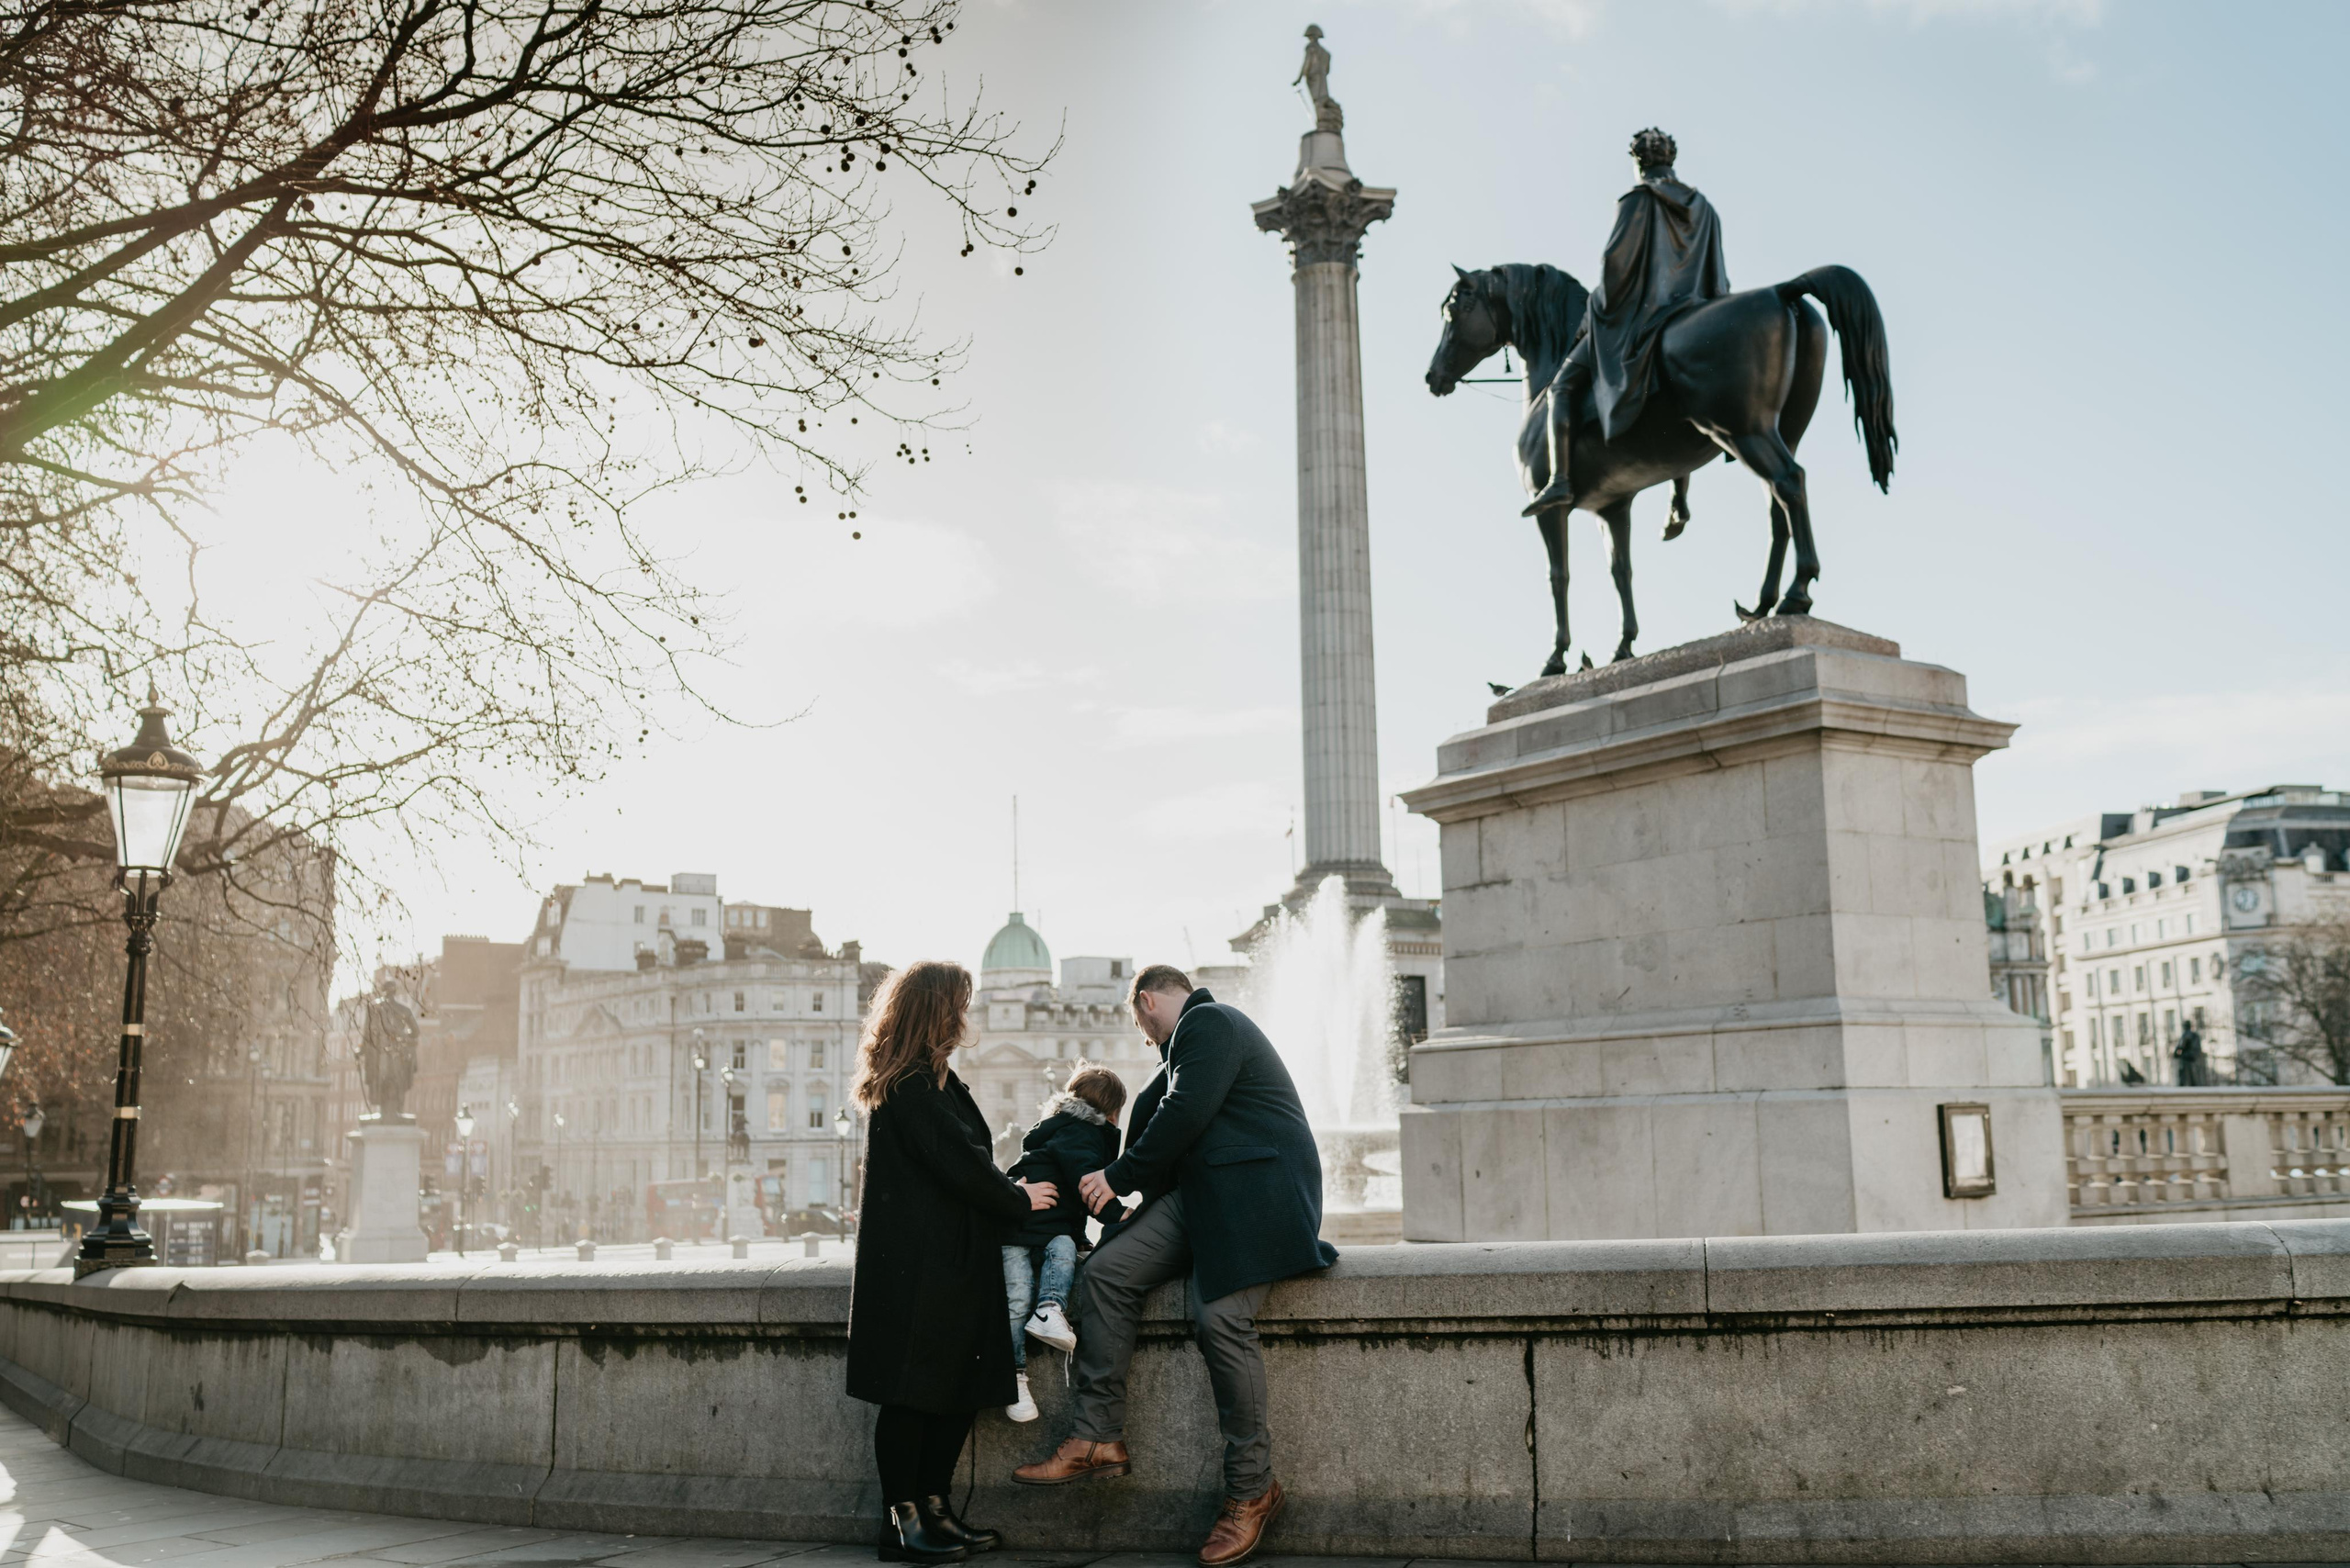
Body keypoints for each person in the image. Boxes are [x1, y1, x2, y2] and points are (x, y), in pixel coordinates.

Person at [1012, 966, 1337, 1568]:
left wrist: (1117, 1176)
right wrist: (1129, 1208)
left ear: (1147, 1002)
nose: (1145, 1039)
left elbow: (1186, 1111)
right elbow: (1172, 1125)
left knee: (1220, 1320)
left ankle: (1252, 1489)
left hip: (1255, 1198)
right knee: (1106, 1273)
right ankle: (1096, 1437)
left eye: (1141, 1025)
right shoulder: (1183, 1050)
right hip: (1201, 1199)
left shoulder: (1209, 1021)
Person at [846, 960, 1059, 1564]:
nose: (965, 1016)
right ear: (935, 1012)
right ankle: (902, 1523)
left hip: (952, 1261)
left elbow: (966, 1159)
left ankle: (935, 1511)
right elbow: (960, 1164)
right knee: (912, 1395)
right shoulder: (908, 1086)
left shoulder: (936, 1081)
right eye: (958, 1005)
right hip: (919, 1268)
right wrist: (1018, 1199)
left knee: (957, 1390)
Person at [1522, 127, 1731, 516]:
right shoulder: (1704, 208)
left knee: (1561, 388)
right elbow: (1717, 271)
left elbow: (1615, 268)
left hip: (1641, 315)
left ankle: (1560, 480)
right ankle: (1679, 496)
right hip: (1694, 310)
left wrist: (1591, 318)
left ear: (1638, 162)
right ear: (1670, 159)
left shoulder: (1639, 199)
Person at [1002, 1064, 1127, 1422]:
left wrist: (1081, 1235)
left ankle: (1047, 1314)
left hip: (1037, 1227)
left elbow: (1069, 1198)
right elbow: (1087, 1184)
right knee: (1019, 1294)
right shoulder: (1081, 1134)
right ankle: (1014, 1376)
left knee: (1027, 1288)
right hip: (1018, 1229)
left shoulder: (1060, 1130)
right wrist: (1119, 1214)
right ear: (1111, 1111)